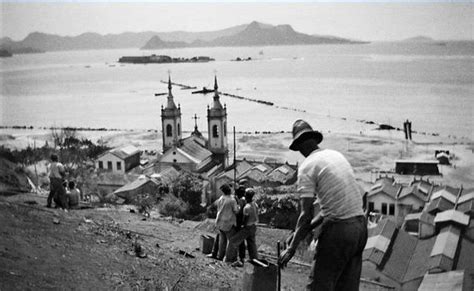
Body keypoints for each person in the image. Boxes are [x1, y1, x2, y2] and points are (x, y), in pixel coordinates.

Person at [278, 119, 367, 291]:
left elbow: (306, 214)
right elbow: (327, 209)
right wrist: (298, 233)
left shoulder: (307, 167)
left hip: (340, 230)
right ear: (314, 140)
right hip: (360, 227)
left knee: (319, 286)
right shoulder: (335, 155)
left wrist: (291, 249)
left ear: (299, 146)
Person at [225, 188, 259, 267]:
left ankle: (228, 259)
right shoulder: (255, 204)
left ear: (246, 196)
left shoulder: (246, 208)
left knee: (233, 241)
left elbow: (245, 220)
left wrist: (240, 226)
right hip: (254, 226)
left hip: (247, 228)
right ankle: (255, 260)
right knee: (252, 244)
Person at [214, 184, 239, 260]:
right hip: (229, 222)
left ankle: (220, 255)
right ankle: (228, 258)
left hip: (220, 221)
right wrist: (239, 206)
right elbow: (236, 211)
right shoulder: (232, 200)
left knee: (222, 240)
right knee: (231, 241)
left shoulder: (221, 198)